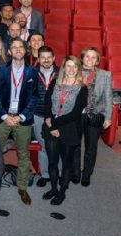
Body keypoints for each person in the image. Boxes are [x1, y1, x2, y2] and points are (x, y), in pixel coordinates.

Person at [0, 38, 39, 205]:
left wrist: (21, 117)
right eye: (14, 47)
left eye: (21, 47)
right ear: (9, 51)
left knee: (23, 154)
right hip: (3, 117)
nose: (17, 50)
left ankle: (22, 187)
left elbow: (34, 98)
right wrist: (4, 116)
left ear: (26, 51)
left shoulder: (33, 72)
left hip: (22, 118)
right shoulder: (1, 69)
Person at [42, 56, 88, 205]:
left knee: (66, 163)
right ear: (63, 68)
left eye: (75, 67)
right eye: (68, 66)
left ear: (78, 69)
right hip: (51, 125)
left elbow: (75, 113)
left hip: (68, 127)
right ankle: (54, 188)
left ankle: (62, 192)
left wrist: (53, 123)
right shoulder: (55, 83)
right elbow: (47, 102)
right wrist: (49, 120)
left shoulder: (82, 88)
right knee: (52, 161)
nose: (71, 70)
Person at [76, 47, 113, 186]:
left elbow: (108, 97)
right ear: (82, 58)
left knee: (91, 147)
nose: (90, 59)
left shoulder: (105, 75)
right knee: (75, 144)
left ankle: (86, 174)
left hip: (95, 115)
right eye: (87, 56)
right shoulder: (74, 71)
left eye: (93, 57)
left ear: (97, 61)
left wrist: (108, 117)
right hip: (76, 115)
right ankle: (75, 171)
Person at [32, 46, 58, 187]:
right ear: (38, 59)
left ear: (53, 58)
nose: (46, 60)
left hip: (56, 116)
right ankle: (45, 174)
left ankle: (58, 173)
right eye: (43, 57)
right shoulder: (32, 73)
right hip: (38, 114)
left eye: (49, 57)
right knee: (42, 145)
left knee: (56, 144)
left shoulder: (62, 73)